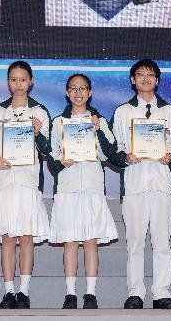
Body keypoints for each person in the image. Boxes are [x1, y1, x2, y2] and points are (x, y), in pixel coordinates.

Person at [105, 59, 171, 310]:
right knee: (135, 242)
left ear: (157, 80)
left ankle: (161, 292)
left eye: (151, 75)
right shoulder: (122, 112)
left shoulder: (169, 111)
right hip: (135, 183)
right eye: (141, 74)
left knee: (162, 243)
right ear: (132, 80)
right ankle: (135, 292)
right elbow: (115, 148)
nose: (146, 78)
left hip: (161, 184)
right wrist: (125, 157)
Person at [0, 60, 52, 309]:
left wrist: (38, 133)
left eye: (23, 79)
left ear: (30, 82)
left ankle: (24, 291)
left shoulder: (41, 112)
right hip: (4, 183)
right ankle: (8, 291)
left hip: (28, 182)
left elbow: (48, 149)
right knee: (7, 238)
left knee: (26, 238)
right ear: (8, 82)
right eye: (14, 79)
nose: (18, 83)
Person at [47, 74, 118, 310]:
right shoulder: (58, 122)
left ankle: (90, 293)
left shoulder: (100, 121)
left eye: (83, 89)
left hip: (92, 187)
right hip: (67, 188)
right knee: (70, 242)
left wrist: (97, 129)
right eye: (73, 89)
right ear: (67, 92)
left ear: (90, 92)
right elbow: (52, 155)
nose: (78, 93)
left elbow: (111, 153)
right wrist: (61, 161)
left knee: (90, 241)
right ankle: (70, 294)